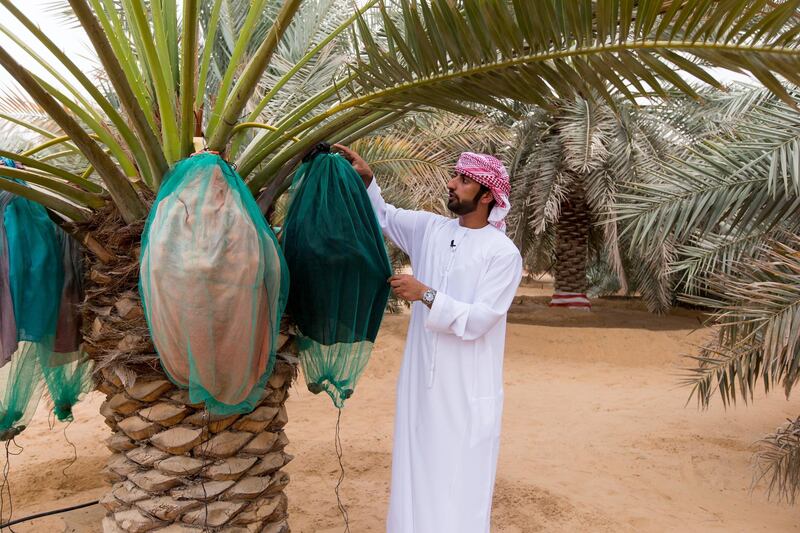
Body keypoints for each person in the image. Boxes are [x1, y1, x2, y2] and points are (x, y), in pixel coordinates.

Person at [333, 144, 523, 533]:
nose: (451, 183)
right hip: (421, 384)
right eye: (455, 175)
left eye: (463, 180)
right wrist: (368, 179)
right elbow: (383, 217)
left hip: (467, 390)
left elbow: (480, 320)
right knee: (415, 468)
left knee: (461, 479)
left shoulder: (503, 254)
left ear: (487, 195)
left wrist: (426, 294)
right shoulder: (431, 230)